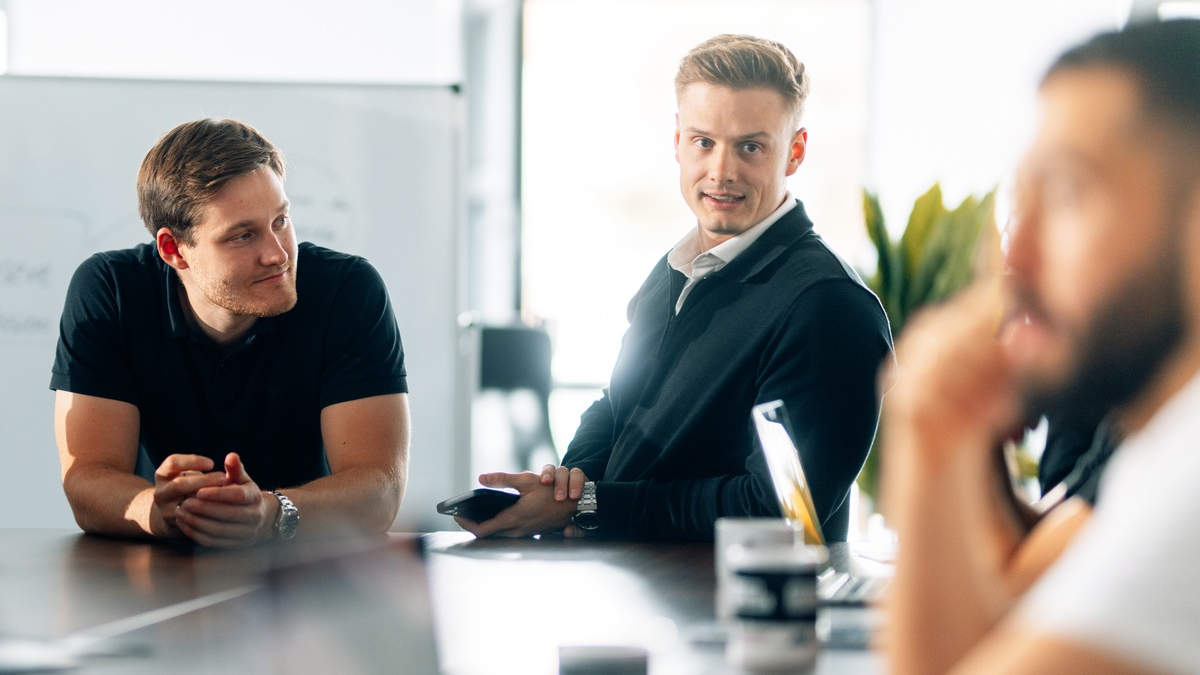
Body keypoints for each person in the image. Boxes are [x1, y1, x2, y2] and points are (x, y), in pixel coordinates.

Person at [457, 34, 892, 542]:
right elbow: (619, 403)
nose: (721, 172)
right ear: (678, 142)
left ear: (794, 152)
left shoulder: (828, 306)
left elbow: (779, 510)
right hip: (635, 585)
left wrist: (592, 506)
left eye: (750, 146)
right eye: (704, 142)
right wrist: (567, 488)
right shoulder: (677, 269)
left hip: (733, 608)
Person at [881, 19, 1200, 675]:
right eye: (1018, 200)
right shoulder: (1162, 452)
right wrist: (937, 443)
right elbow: (996, 650)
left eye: (1067, 191)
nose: (1015, 259)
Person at [50, 118, 410, 548]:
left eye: (281, 220)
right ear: (173, 249)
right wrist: (158, 509)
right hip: (160, 573)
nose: (277, 255)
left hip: (308, 571)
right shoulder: (111, 289)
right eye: (242, 236)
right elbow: (86, 479)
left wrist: (271, 513)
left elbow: (380, 490)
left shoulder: (347, 288)